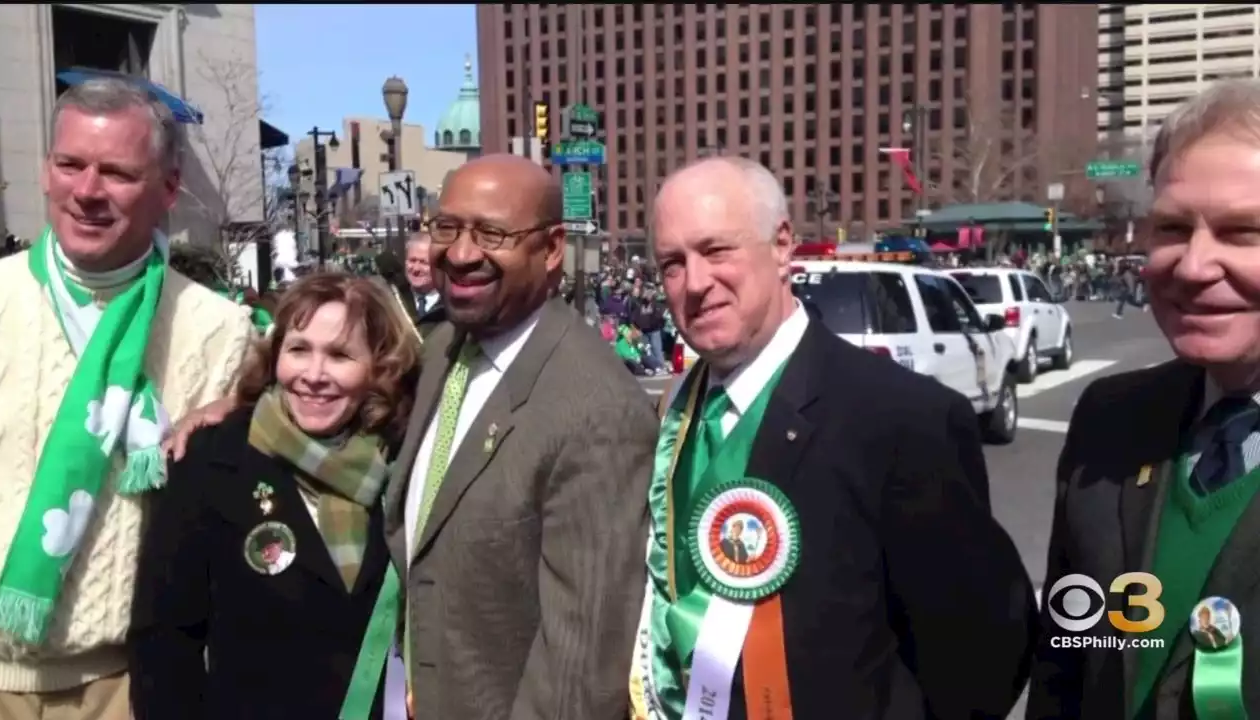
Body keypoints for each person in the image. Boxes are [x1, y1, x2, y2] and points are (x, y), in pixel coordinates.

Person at [165, 154, 657, 720]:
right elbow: (344, 392)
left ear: (550, 250)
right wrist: (243, 405)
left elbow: (581, 666)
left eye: (493, 233)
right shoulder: (444, 348)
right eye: (447, 227)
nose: (463, 253)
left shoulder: (596, 413)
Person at [630, 156, 1037, 720]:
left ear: (781, 247)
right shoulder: (671, 411)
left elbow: (984, 653)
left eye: (717, 250)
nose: (695, 283)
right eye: (672, 264)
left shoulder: (901, 418)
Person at [0, 77, 256, 718]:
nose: (88, 191)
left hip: (127, 686)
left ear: (167, 188)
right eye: (70, 165)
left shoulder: (219, 331)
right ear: (46, 173)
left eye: (117, 172)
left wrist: (243, 411)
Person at [1028, 79, 1260, 720]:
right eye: (1173, 227)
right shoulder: (1110, 418)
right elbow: (1066, 655)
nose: (1193, 265)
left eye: (1243, 232)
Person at [129, 273, 418, 719]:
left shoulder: (405, 458)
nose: (314, 375)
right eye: (299, 349)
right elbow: (165, 638)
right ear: (275, 354)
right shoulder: (212, 458)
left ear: (380, 367)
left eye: (340, 355)